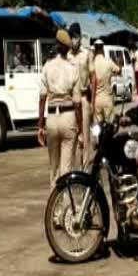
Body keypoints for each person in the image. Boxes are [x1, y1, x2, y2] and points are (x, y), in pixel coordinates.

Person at [38, 29, 83, 188]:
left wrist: (40, 126)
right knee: (66, 170)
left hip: (51, 118)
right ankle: (66, 211)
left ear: (57, 45)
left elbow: (42, 98)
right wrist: (81, 129)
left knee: (54, 169)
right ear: (68, 48)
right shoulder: (73, 68)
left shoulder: (47, 67)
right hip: (68, 116)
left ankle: (54, 212)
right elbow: (77, 103)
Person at [67, 23, 92, 168]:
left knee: (85, 137)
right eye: (72, 37)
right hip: (69, 101)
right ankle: (72, 170)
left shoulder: (87, 54)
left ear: (80, 37)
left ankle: (85, 169)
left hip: (83, 99)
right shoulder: (67, 55)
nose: (74, 40)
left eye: (76, 36)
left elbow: (92, 76)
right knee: (72, 137)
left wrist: (92, 101)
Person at [90, 40, 120, 124]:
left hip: (96, 100)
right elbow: (118, 70)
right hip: (107, 99)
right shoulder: (108, 62)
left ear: (95, 49)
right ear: (102, 48)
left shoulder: (92, 63)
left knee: (98, 127)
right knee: (109, 125)